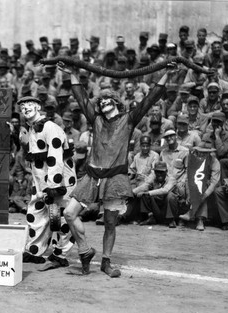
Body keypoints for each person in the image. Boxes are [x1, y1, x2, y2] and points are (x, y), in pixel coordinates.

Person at [57, 60, 174, 278]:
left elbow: (150, 99)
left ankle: (106, 262)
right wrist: (72, 73)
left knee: (110, 223)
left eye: (107, 100)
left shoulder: (129, 119)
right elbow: (81, 98)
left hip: (115, 178)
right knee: (69, 213)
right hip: (92, 176)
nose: (102, 103)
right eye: (100, 101)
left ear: (117, 103)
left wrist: (166, 74)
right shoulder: (96, 119)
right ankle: (85, 250)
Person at [17, 96, 77, 269]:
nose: (25, 108)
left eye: (29, 105)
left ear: (37, 107)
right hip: (41, 179)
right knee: (36, 212)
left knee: (59, 215)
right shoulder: (30, 130)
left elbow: (55, 157)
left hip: (58, 179)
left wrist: (54, 185)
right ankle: (34, 250)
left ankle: (60, 253)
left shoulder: (51, 128)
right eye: (22, 107)